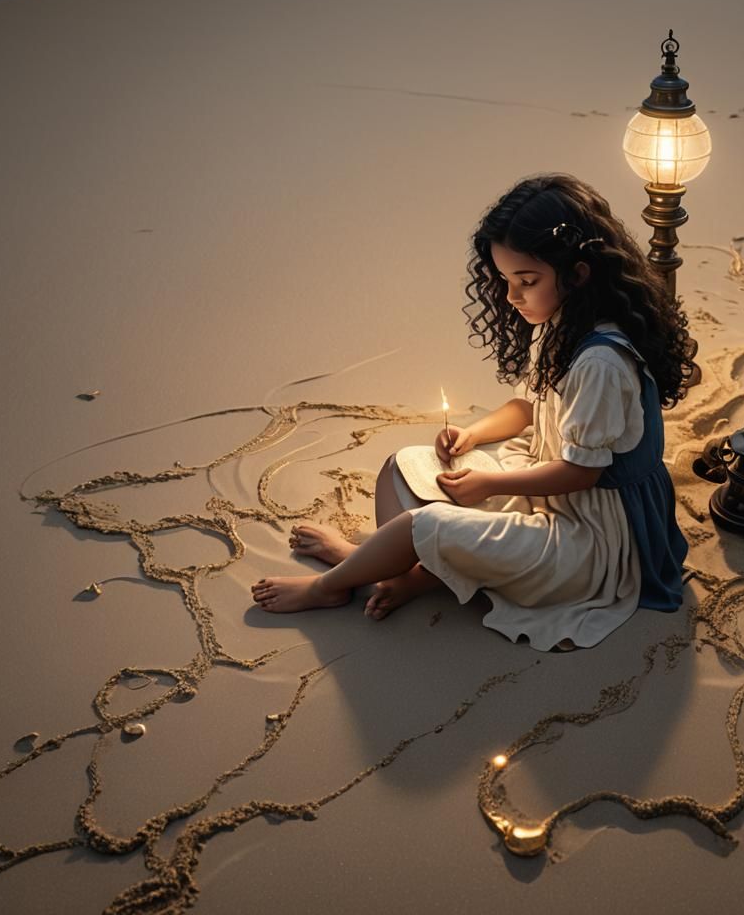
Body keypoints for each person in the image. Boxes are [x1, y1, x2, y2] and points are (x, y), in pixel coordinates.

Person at [251, 173, 695, 651]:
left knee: (427, 523)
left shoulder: (601, 362)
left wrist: (491, 482)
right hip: (544, 486)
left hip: (593, 538)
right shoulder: (561, 322)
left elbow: (584, 471)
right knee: (402, 468)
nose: (511, 297)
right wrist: (474, 435)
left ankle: (334, 584)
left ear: (579, 273)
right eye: (505, 281)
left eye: (526, 281)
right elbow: (527, 406)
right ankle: (398, 568)